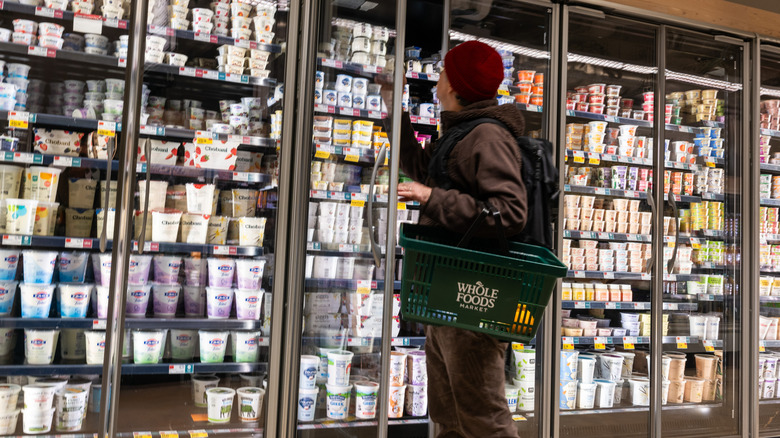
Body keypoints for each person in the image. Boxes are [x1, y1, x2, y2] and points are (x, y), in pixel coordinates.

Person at [380, 41, 527, 437]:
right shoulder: (462, 132)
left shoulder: (487, 137)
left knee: (483, 419)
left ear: (456, 86)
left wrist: (432, 198)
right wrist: (395, 110)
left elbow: (510, 212)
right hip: (450, 295)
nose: (439, 79)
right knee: (449, 417)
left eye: (444, 72)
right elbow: (428, 172)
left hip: (475, 300)